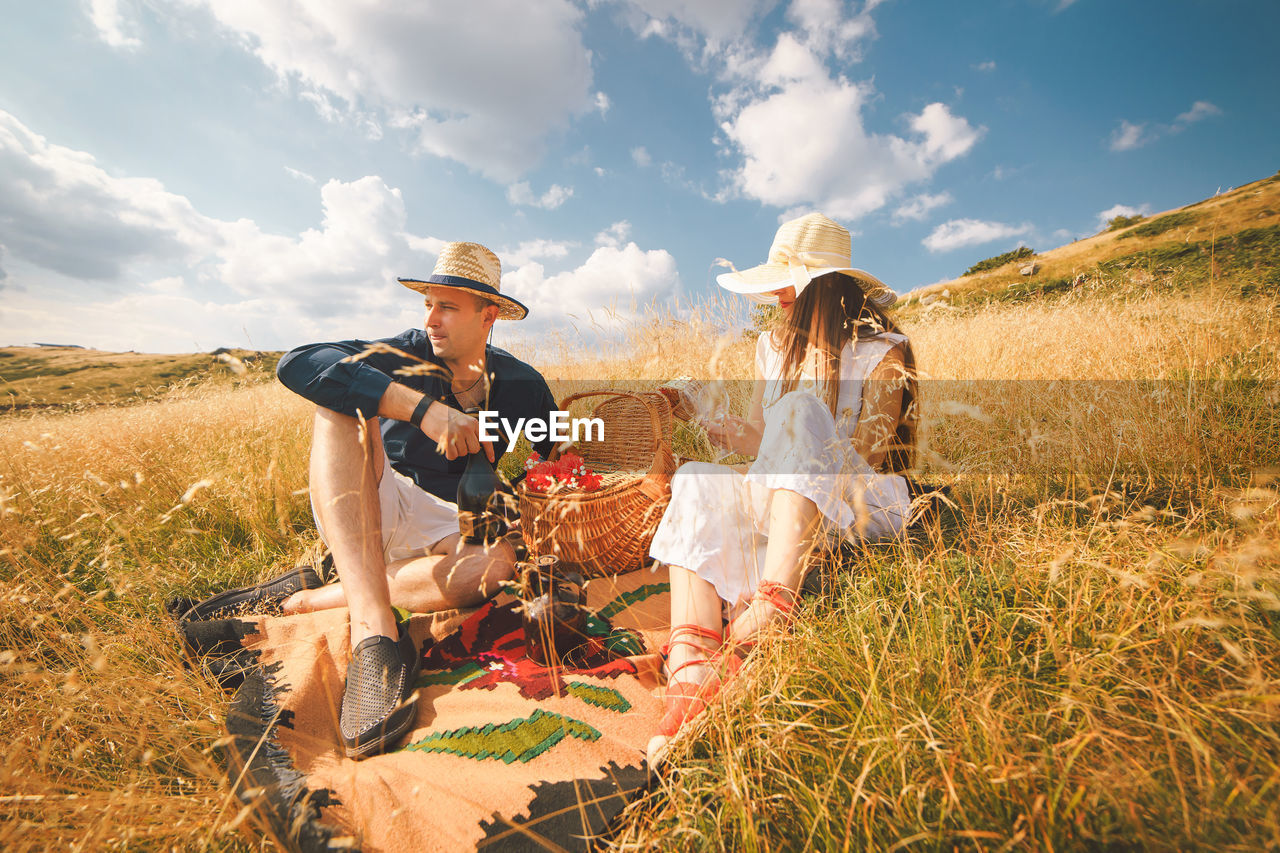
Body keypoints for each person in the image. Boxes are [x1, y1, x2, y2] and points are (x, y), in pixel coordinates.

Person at [645, 213, 919, 763]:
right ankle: (693, 658)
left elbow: (860, 454)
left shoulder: (883, 351)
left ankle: (773, 607)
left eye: (784, 285)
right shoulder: (771, 347)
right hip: (788, 499)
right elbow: (760, 438)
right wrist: (717, 421)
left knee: (798, 408)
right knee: (697, 476)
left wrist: (800, 417)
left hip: (859, 501)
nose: (773, 296)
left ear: (821, 287)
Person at [274, 241, 557, 759]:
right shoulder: (403, 352)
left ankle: (331, 591)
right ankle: (374, 631)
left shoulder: (522, 384)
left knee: (499, 561)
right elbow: (298, 362)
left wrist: (544, 492)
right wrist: (424, 409)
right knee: (338, 404)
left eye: (447, 306)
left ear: (488, 315)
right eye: (428, 302)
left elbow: (559, 454)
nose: (432, 318)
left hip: (453, 519)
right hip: (375, 499)